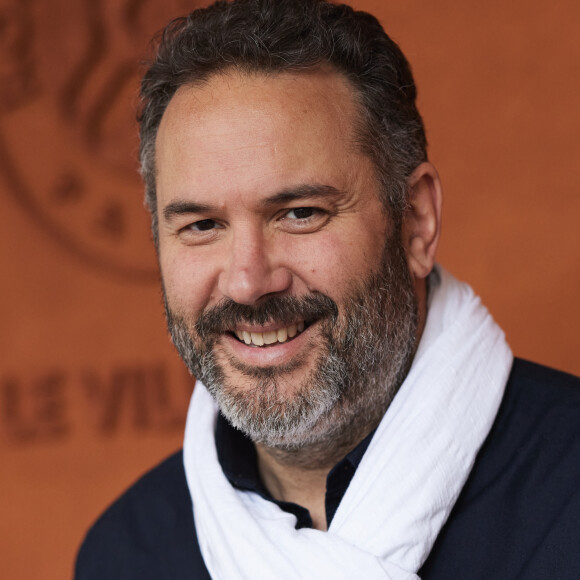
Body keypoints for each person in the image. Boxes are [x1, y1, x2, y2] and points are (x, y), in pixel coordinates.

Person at [75, 0, 580, 578]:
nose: (248, 282)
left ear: (416, 220)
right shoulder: (126, 554)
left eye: (299, 213)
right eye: (202, 226)